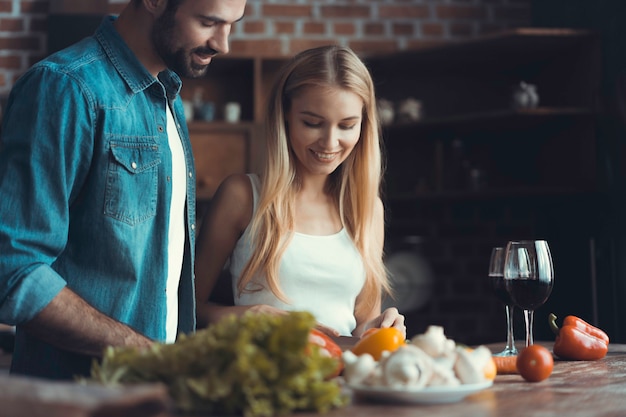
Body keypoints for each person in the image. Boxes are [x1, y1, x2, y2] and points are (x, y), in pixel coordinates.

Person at [0, 0, 246, 380]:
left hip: (154, 393)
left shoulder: (168, 93)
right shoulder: (65, 88)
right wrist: (147, 354)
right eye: (208, 22)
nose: (223, 44)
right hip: (78, 398)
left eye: (232, 24)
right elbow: (14, 271)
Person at [195, 45, 406, 339]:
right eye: (312, 123)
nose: (330, 143)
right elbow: (188, 308)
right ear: (285, 116)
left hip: (341, 381)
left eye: (347, 126)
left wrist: (379, 326)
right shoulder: (242, 196)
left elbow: (362, 325)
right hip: (263, 376)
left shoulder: (367, 208)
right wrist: (252, 316)